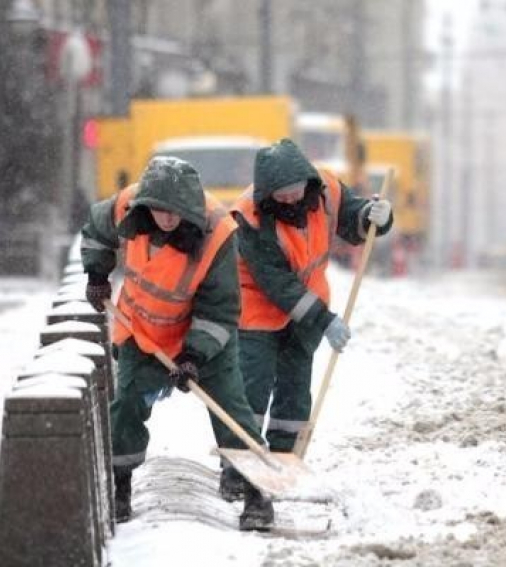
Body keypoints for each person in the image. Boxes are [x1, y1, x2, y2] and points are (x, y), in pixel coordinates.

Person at [80, 156, 275, 531]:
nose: (167, 219)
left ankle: (257, 494)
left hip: (204, 340)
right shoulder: (128, 206)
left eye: (175, 213)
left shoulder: (218, 234)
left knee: (230, 412)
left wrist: (193, 355)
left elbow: (219, 310)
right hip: (143, 333)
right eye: (159, 211)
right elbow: (95, 230)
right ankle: (120, 487)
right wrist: (96, 272)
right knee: (125, 408)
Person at [223, 139, 392, 499]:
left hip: (307, 308)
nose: (288, 201)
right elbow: (277, 285)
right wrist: (324, 319)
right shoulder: (250, 217)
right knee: (251, 392)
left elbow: (352, 218)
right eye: (279, 196)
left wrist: (373, 216)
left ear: (306, 183)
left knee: (295, 392)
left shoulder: (326, 189)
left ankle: (285, 462)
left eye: (294, 193)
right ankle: (239, 469)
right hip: (257, 312)